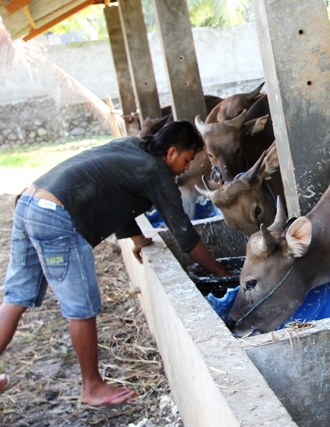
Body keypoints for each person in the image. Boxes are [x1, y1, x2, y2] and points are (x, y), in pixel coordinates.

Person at [0, 120, 230, 405]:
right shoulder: (155, 172)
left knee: (17, 297)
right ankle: (92, 386)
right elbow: (185, 234)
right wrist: (222, 273)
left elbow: (115, 195)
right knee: (81, 307)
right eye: (187, 159)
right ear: (171, 153)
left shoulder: (131, 147)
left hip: (30, 202)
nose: (187, 167)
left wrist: (137, 238)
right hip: (58, 217)